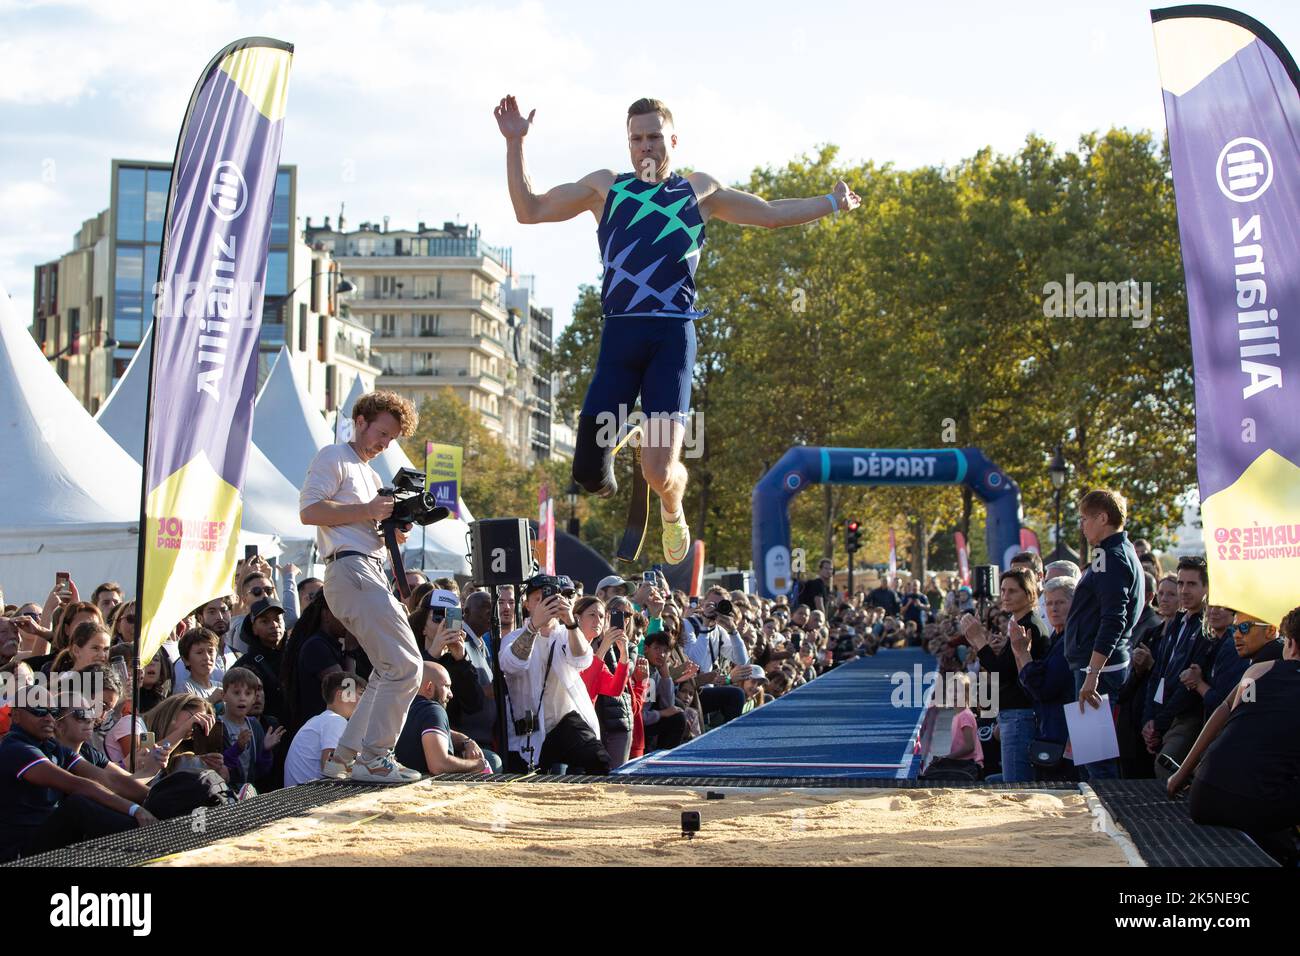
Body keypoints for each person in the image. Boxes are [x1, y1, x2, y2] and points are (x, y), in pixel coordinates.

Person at [496, 94, 860, 563]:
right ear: (628, 143)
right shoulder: (606, 189)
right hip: (620, 336)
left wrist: (832, 202)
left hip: (671, 339)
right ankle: (627, 433)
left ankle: (673, 505)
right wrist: (515, 143)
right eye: (636, 139)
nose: (645, 146)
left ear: (673, 140)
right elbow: (529, 210)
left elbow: (769, 214)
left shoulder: (698, 192)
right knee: (586, 472)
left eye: (654, 136)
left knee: (659, 471)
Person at [299, 389, 424, 784]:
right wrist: (368, 511)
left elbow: (358, 525)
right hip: (350, 569)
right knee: (406, 666)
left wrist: (390, 532)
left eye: (391, 438)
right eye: (382, 433)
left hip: (363, 569)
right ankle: (375, 757)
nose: (385, 444)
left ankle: (344, 758)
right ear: (360, 422)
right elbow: (309, 511)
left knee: (389, 670)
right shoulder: (334, 456)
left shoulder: (370, 474)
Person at [1167, 606, 1300, 865]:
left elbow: (1229, 715)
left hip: (1204, 796)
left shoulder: (1256, 672)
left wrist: (1181, 774)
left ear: (1291, 644)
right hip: (1255, 806)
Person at [0, 687, 156, 862]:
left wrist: (155, 798)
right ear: (16, 715)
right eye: (39, 710)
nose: (49, 718)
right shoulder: (15, 748)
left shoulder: (52, 747)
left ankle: (158, 828)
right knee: (78, 803)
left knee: (166, 792)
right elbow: (77, 784)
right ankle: (148, 841)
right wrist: (135, 810)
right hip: (20, 854)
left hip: (52, 839)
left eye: (53, 712)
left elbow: (110, 780)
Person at [1063, 489, 1143, 780]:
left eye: (1085, 519)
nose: (1082, 526)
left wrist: (1093, 673)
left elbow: (1114, 619)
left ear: (1103, 518)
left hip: (1099, 669)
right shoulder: (1110, 553)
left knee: (1097, 760)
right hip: (1094, 665)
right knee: (1092, 757)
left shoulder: (1113, 557)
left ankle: (1105, 808)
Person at [498, 575, 610, 774]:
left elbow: (582, 659)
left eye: (550, 598)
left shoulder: (567, 633)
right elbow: (511, 664)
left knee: (599, 759)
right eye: (538, 599)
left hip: (565, 722)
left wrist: (570, 621)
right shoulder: (513, 638)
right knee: (529, 782)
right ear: (527, 605)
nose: (545, 604)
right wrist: (533, 627)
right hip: (529, 731)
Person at [960, 568, 1049, 783]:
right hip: (1014, 713)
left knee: (1016, 784)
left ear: (1029, 594)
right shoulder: (1021, 623)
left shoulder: (1029, 626)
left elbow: (1001, 673)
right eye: (1002, 590)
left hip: (1020, 714)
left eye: (1012, 591)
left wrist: (979, 640)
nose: (1005, 596)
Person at [1142, 556, 1209, 781]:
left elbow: (1188, 687)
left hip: (1186, 717)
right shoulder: (1176, 623)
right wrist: (1149, 720)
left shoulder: (1206, 628)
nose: (1184, 590)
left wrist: (1159, 724)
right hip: (1161, 714)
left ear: (1206, 587)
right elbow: (1157, 674)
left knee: (1166, 769)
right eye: (1181, 583)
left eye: (1192, 584)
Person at [1013, 576, 1078, 781]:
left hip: (1066, 735)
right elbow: (1029, 687)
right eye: (1049, 603)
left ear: (1074, 604)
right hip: (1050, 731)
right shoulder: (1057, 638)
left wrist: (1023, 654)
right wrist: (1022, 655)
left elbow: (1043, 689)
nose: (1054, 609)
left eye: (1060, 602)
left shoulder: (1071, 641)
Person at [395, 662, 495, 776]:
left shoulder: (400, 708)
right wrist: (479, 765)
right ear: (429, 687)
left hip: (398, 780)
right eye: (446, 686)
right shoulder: (433, 710)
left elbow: (429, 732)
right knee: (493, 760)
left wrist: (466, 741)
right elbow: (439, 765)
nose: (451, 694)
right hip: (429, 783)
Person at [283, 672, 368, 787]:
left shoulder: (322, 720)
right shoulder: (335, 720)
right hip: (312, 794)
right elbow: (333, 769)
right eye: (361, 694)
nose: (364, 700)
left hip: (302, 791)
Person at [218, 667, 286, 791]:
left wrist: (266, 750)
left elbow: (261, 771)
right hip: (225, 793)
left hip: (249, 791)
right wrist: (237, 748)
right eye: (236, 693)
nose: (242, 698)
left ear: (254, 698)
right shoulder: (217, 726)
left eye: (248, 693)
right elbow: (218, 769)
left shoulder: (254, 725)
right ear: (224, 695)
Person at [231, 598, 289, 725]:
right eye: (265, 621)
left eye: (278, 619)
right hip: (267, 732)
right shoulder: (244, 666)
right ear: (254, 629)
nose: (274, 625)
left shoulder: (298, 653)